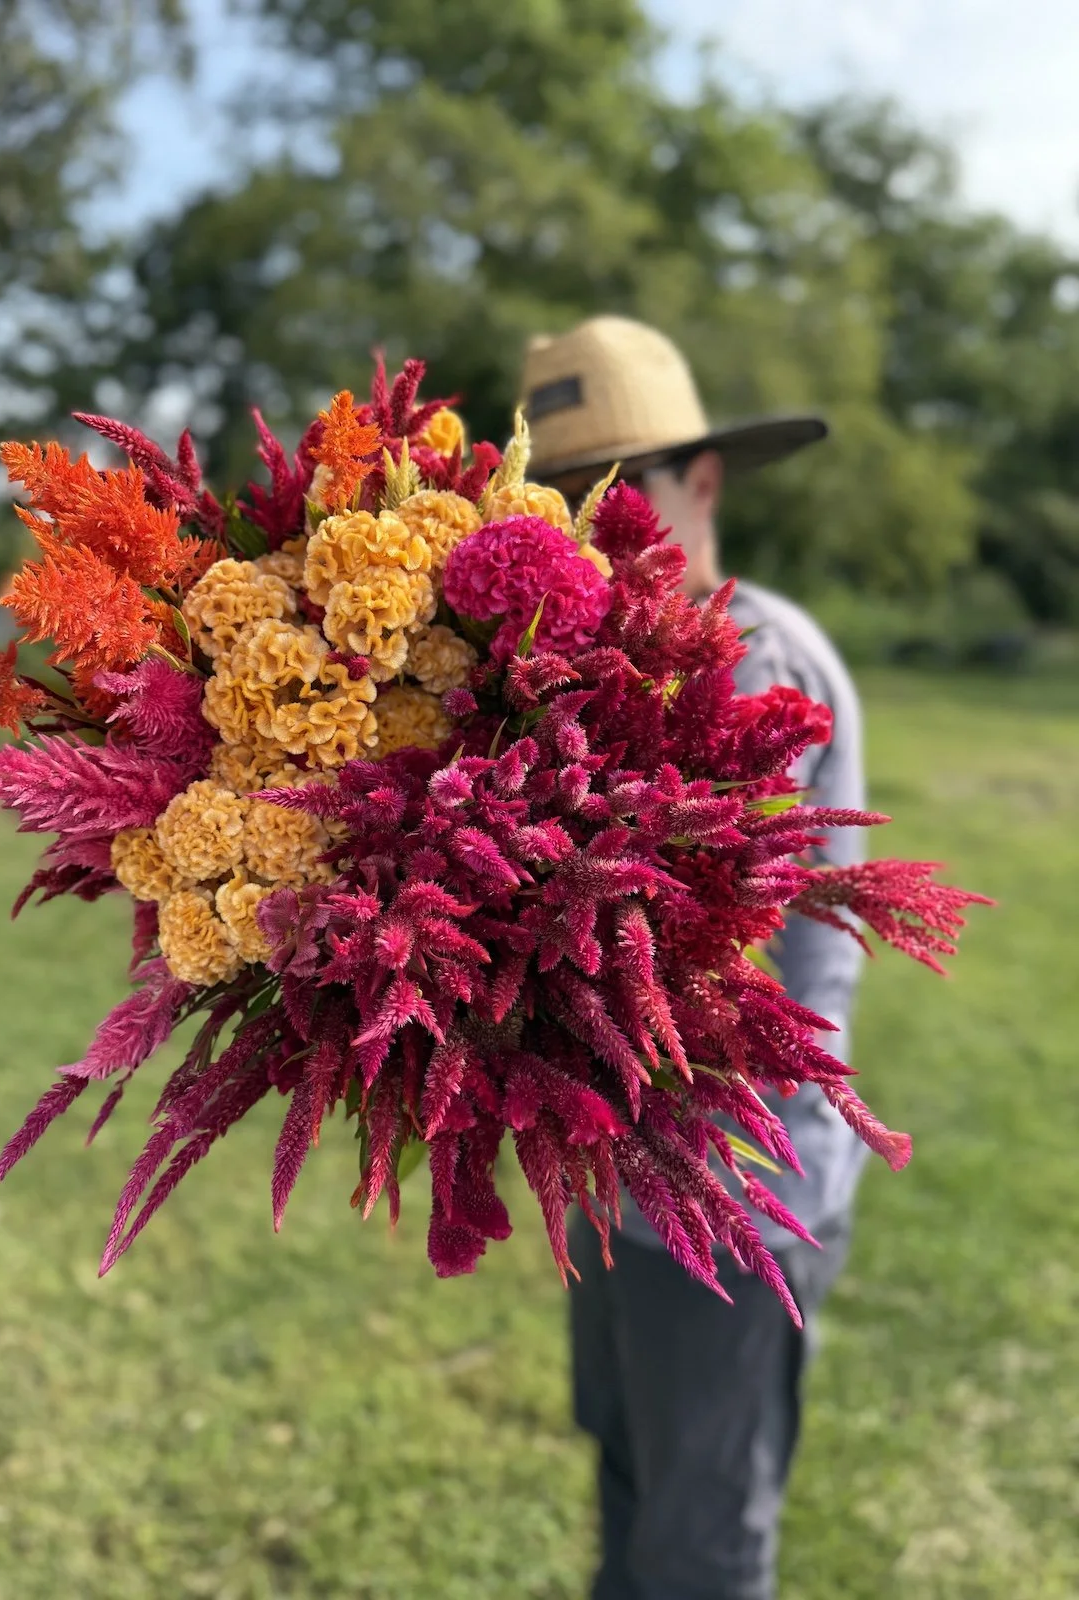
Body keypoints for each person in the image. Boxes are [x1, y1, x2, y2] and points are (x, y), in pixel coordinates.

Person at [520, 316, 868, 1600]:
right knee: (629, 1482)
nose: (582, 529)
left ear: (703, 483)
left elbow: (674, 944)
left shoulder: (755, 666)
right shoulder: (564, 673)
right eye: (550, 501)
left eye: (616, 492)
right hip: (621, 1181)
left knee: (700, 1547)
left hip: (730, 1192)